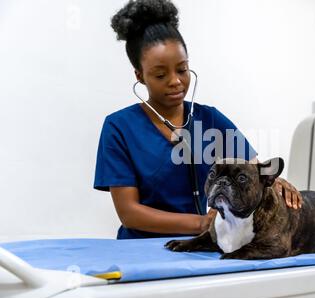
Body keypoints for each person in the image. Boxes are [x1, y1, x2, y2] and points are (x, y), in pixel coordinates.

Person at [94, 0, 302, 240]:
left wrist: (274, 183)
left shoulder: (209, 119)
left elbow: (252, 169)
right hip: (140, 250)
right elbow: (129, 213)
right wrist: (201, 223)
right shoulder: (119, 127)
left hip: (198, 248)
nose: (175, 81)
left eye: (182, 69)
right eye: (161, 74)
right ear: (139, 76)